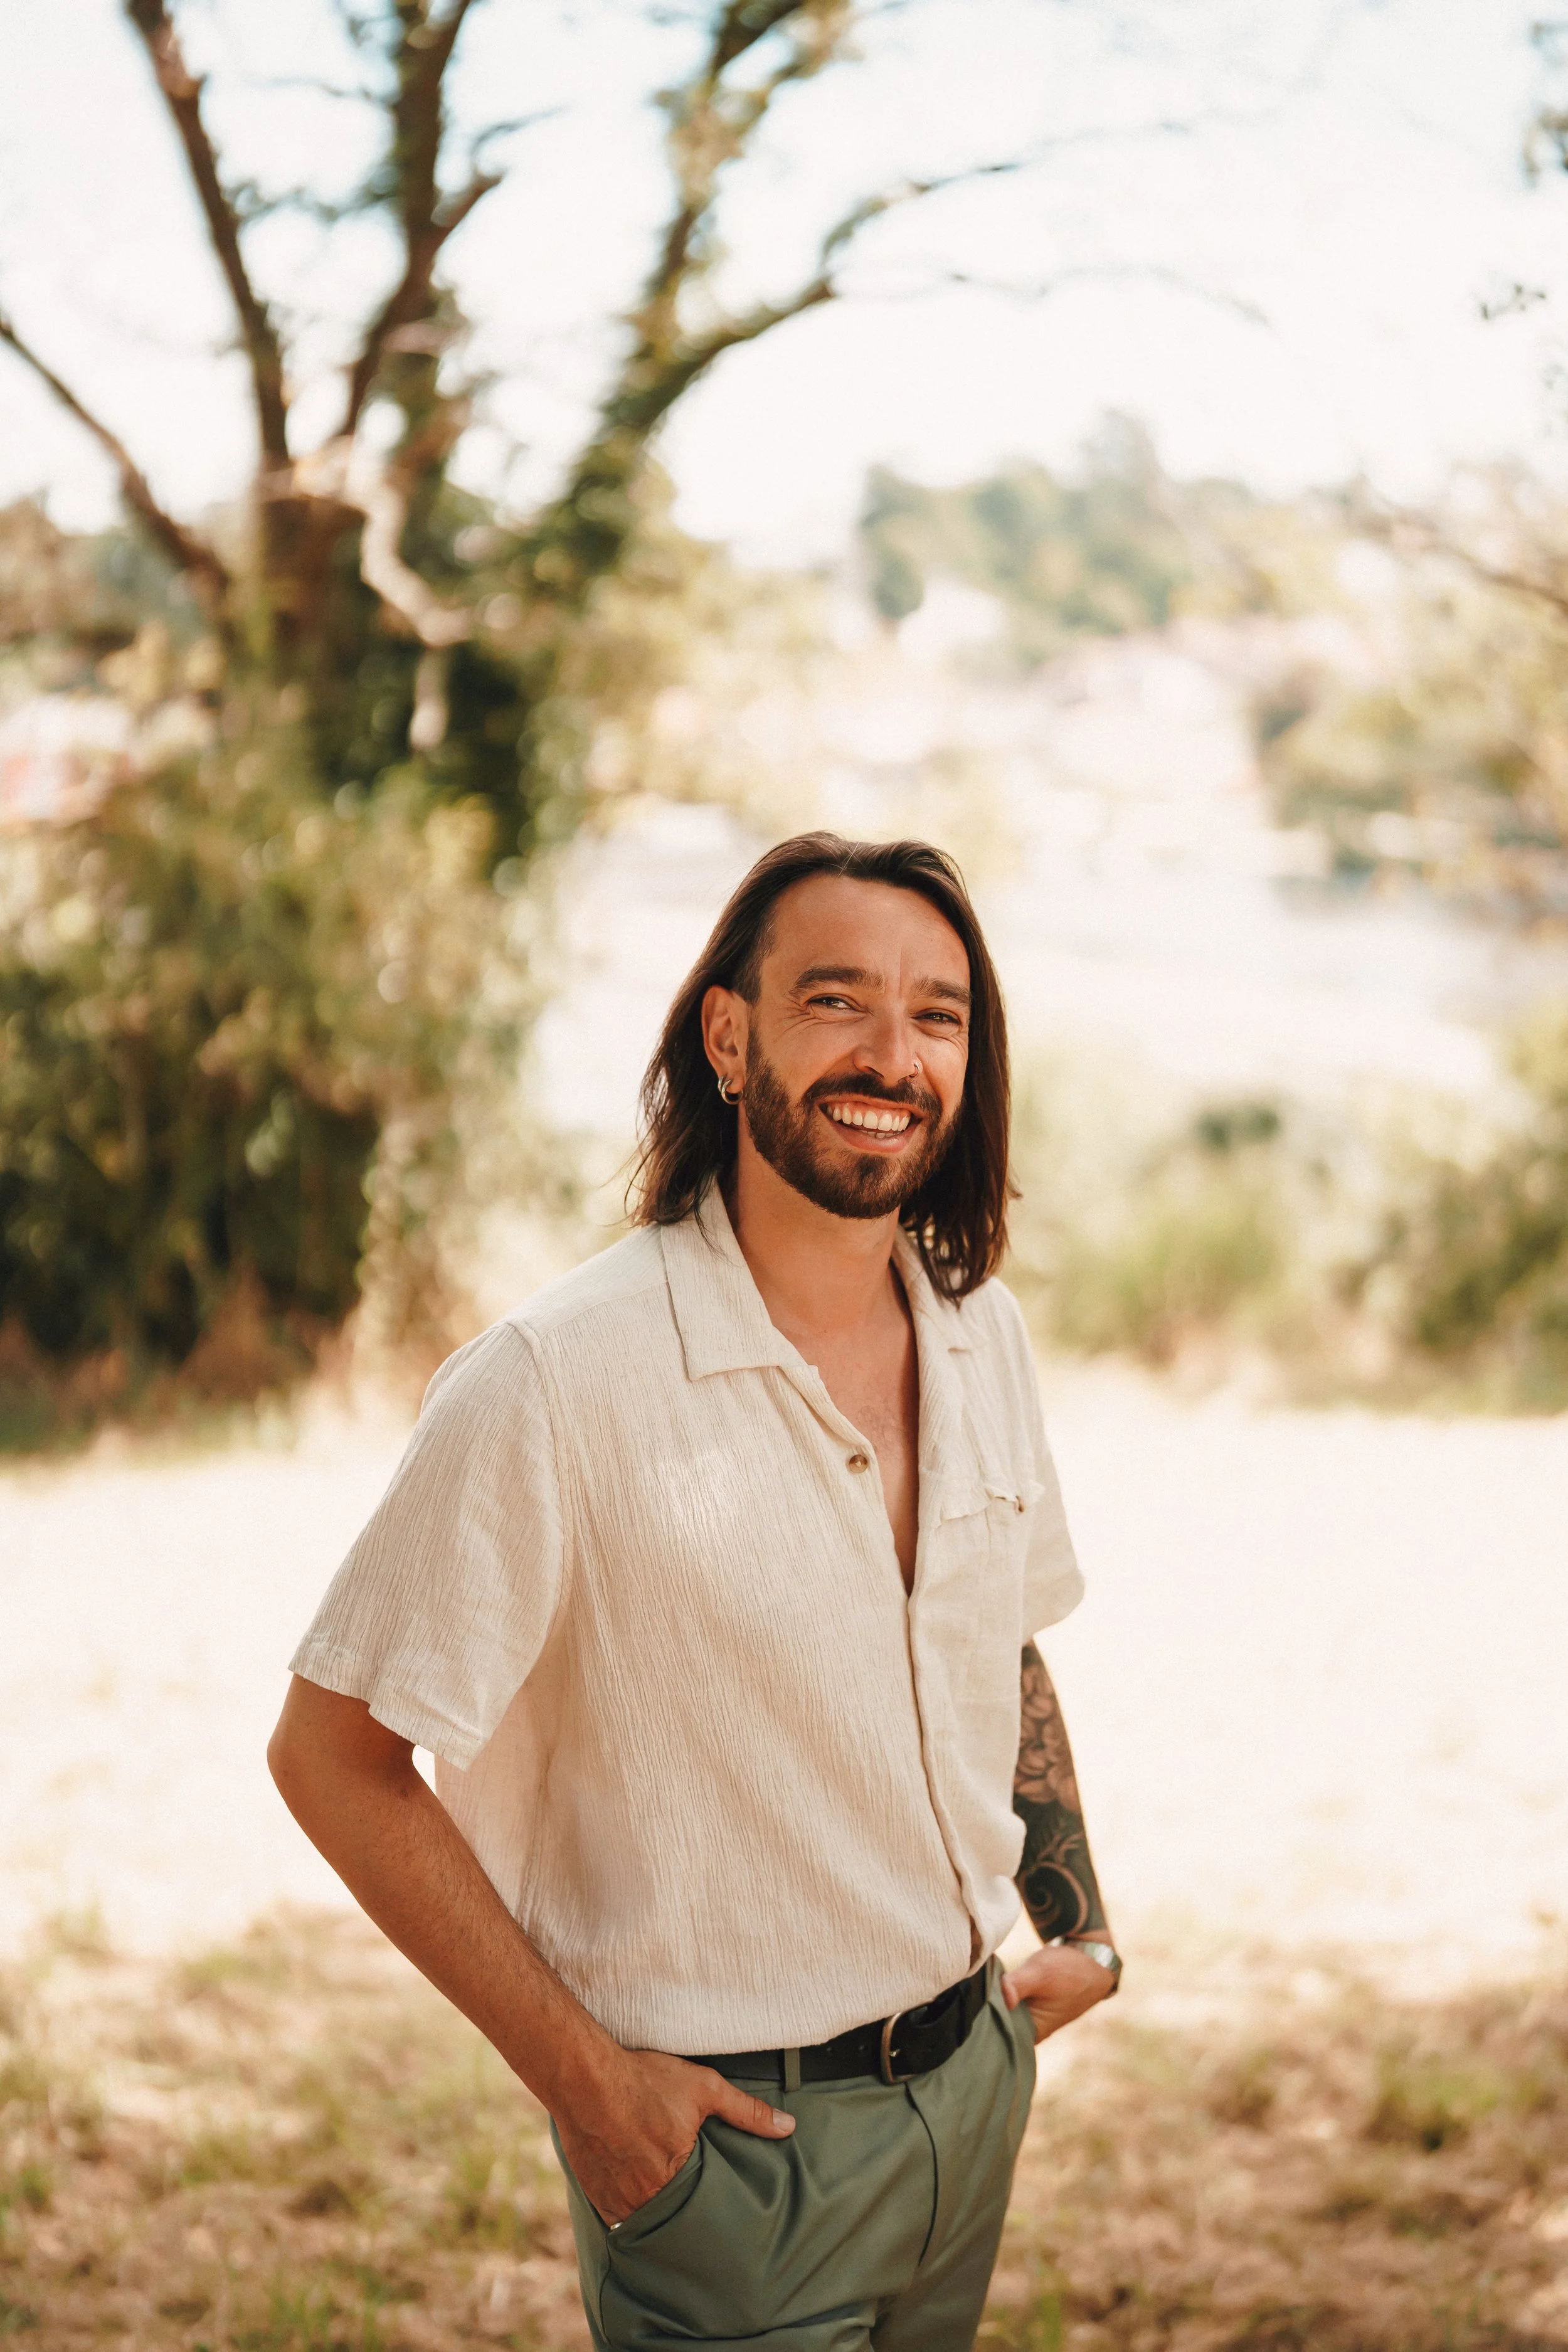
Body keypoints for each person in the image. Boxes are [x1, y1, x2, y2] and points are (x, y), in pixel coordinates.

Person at [269, 832, 1118, 2352]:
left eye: (937, 1015)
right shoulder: (553, 1381)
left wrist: (1074, 1918)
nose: (890, 1054)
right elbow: (332, 1755)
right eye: (835, 1001)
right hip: (731, 2163)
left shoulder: (984, 1335)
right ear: (728, 1037)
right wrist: (589, 2091)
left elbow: (1001, 1635)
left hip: (971, 2097)